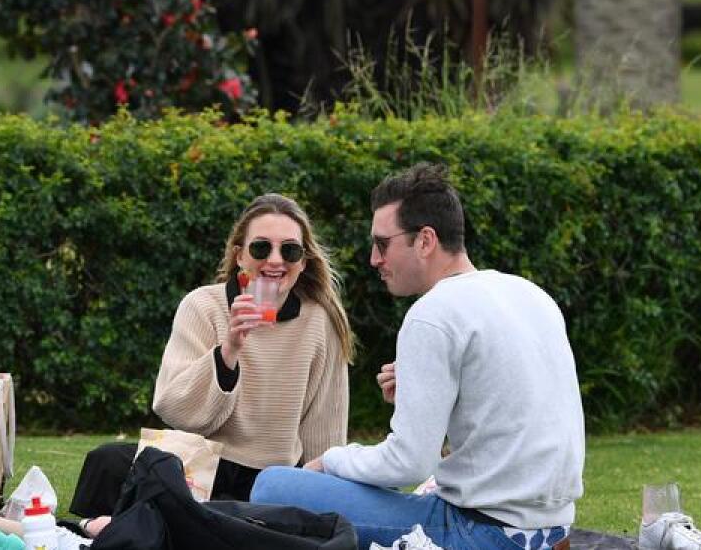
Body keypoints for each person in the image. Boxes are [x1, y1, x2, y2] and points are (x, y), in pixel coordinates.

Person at [250, 162, 585, 550]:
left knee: (272, 486)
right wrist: (423, 394)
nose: (374, 258)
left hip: (482, 533)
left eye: (382, 243)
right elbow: (509, 422)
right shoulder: (529, 294)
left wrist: (332, 460)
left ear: (425, 240)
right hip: (554, 530)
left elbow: (408, 464)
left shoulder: (433, 314)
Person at [70, 193, 353, 537]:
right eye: (261, 248)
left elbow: (324, 433)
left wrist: (312, 493)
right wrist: (229, 350)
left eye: (290, 250)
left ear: (304, 262)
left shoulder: (320, 322)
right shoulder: (203, 306)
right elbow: (175, 409)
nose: (275, 260)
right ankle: (100, 532)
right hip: (202, 465)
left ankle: (155, 526)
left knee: (257, 515)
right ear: (239, 256)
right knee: (109, 462)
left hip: (270, 477)